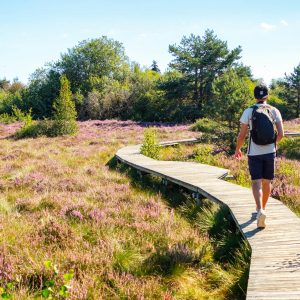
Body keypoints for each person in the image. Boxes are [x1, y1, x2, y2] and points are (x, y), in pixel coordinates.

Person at [234, 84, 284, 228]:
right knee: (266, 182)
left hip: (254, 153)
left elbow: (242, 135)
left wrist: (238, 149)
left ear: (255, 96)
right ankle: (264, 208)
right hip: (270, 152)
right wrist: (273, 145)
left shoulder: (249, 111)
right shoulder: (274, 110)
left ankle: (259, 210)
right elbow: (281, 134)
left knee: (256, 182)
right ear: (267, 96)